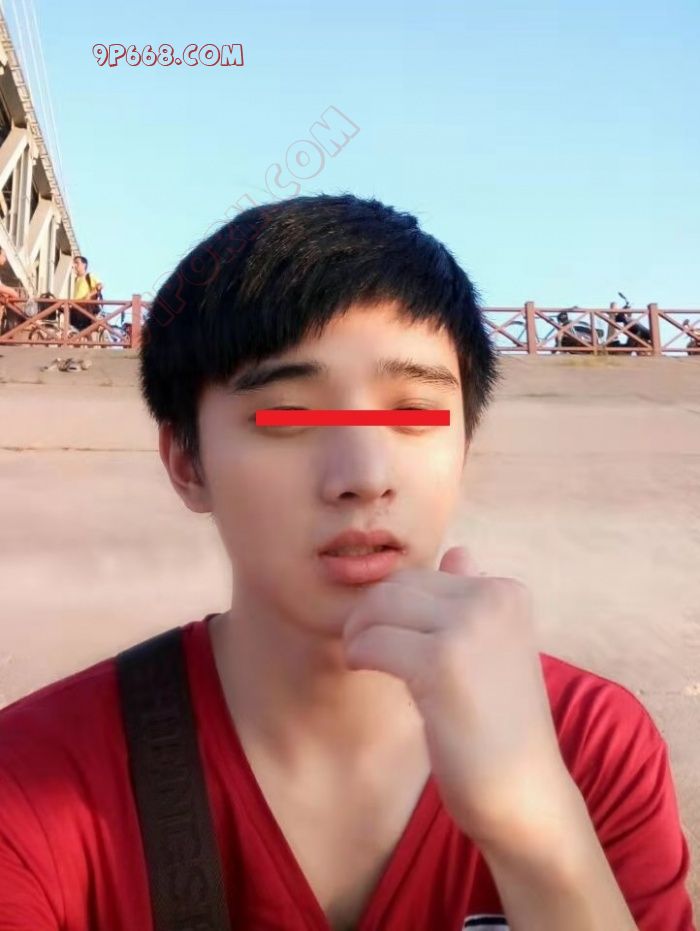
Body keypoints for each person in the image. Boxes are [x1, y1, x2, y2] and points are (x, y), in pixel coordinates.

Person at [0, 194, 695, 931]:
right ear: (186, 463)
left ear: (465, 446)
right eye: (288, 417)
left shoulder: (591, 745)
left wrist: (540, 836)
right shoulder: (35, 778)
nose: (364, 475)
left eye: (414, 414)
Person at [70, 254, 103, 331]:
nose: (74, 265)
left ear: (84, 265)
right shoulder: (76, 279)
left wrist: (89, 295)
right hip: (76, 309)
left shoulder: (89, 276)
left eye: (77, 263)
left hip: (85, 309)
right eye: (74, 263)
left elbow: (100, 285)